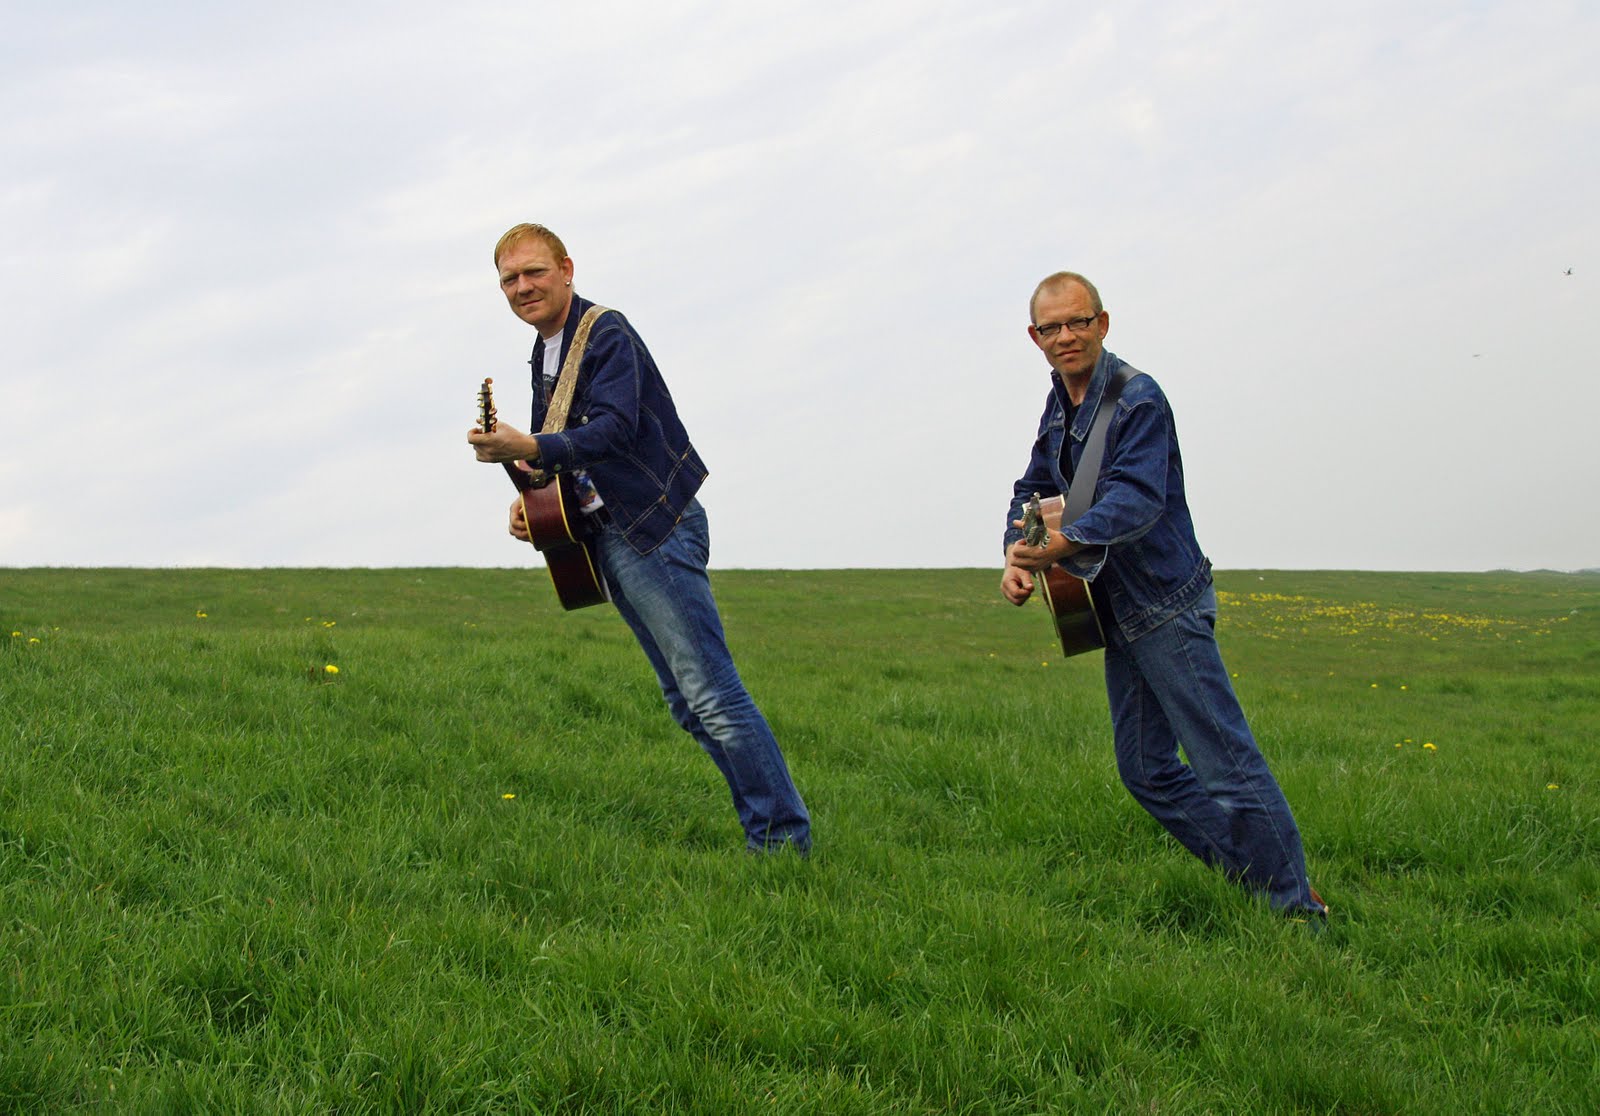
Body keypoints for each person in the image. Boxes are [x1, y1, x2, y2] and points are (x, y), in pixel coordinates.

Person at [468, 223, 811, 855]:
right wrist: (526, 489)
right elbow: (566, 457)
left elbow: (616, 430)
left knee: (712, 692)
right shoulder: (547, 352)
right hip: (610, 536)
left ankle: (784, 844)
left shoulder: (606, 332)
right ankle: (769, 834)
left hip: (654, 526)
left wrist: (533, 445)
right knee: (687, 701)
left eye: (534, 272)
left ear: (566, 268)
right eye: (509, 279)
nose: (524, 287)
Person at [1000, 271, 1324, 919]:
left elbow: (1137, 501)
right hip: (1116, 608)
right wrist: (1017, 556)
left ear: (1104, 323)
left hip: (1167, 606)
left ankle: (1297, 911)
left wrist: (1060, 547)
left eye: (1079, 322)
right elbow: (1036, 484)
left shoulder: (1138, 399)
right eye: (1052, 327)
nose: (1067, 336)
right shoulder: (1059, 401)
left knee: (1227, 766)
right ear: (1033, 337)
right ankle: (1258, 879)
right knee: (1146, 770)